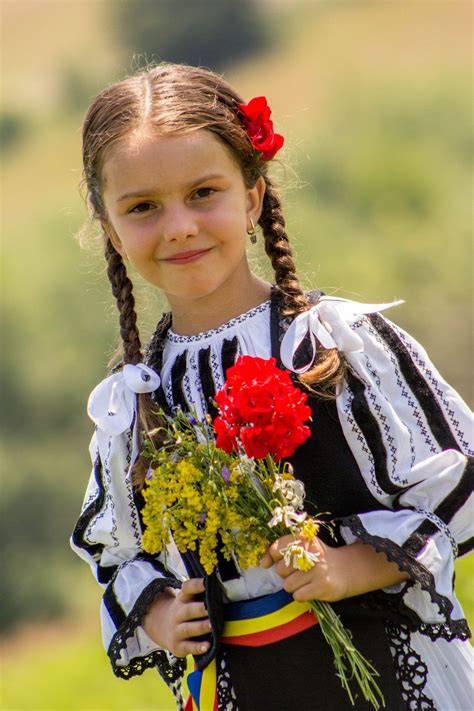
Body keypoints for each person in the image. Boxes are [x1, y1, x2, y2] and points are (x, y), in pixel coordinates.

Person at [71, 63, 473, 711]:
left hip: (391, 672)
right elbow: (113, 550)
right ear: (111, 229)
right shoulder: (133, 402)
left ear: (253, 196)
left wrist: (347, 567)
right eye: (144, 207)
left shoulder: (332, 342)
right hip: (242, 688)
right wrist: (156, 614)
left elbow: (455, 486)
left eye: (204, 192)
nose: (178, 226)